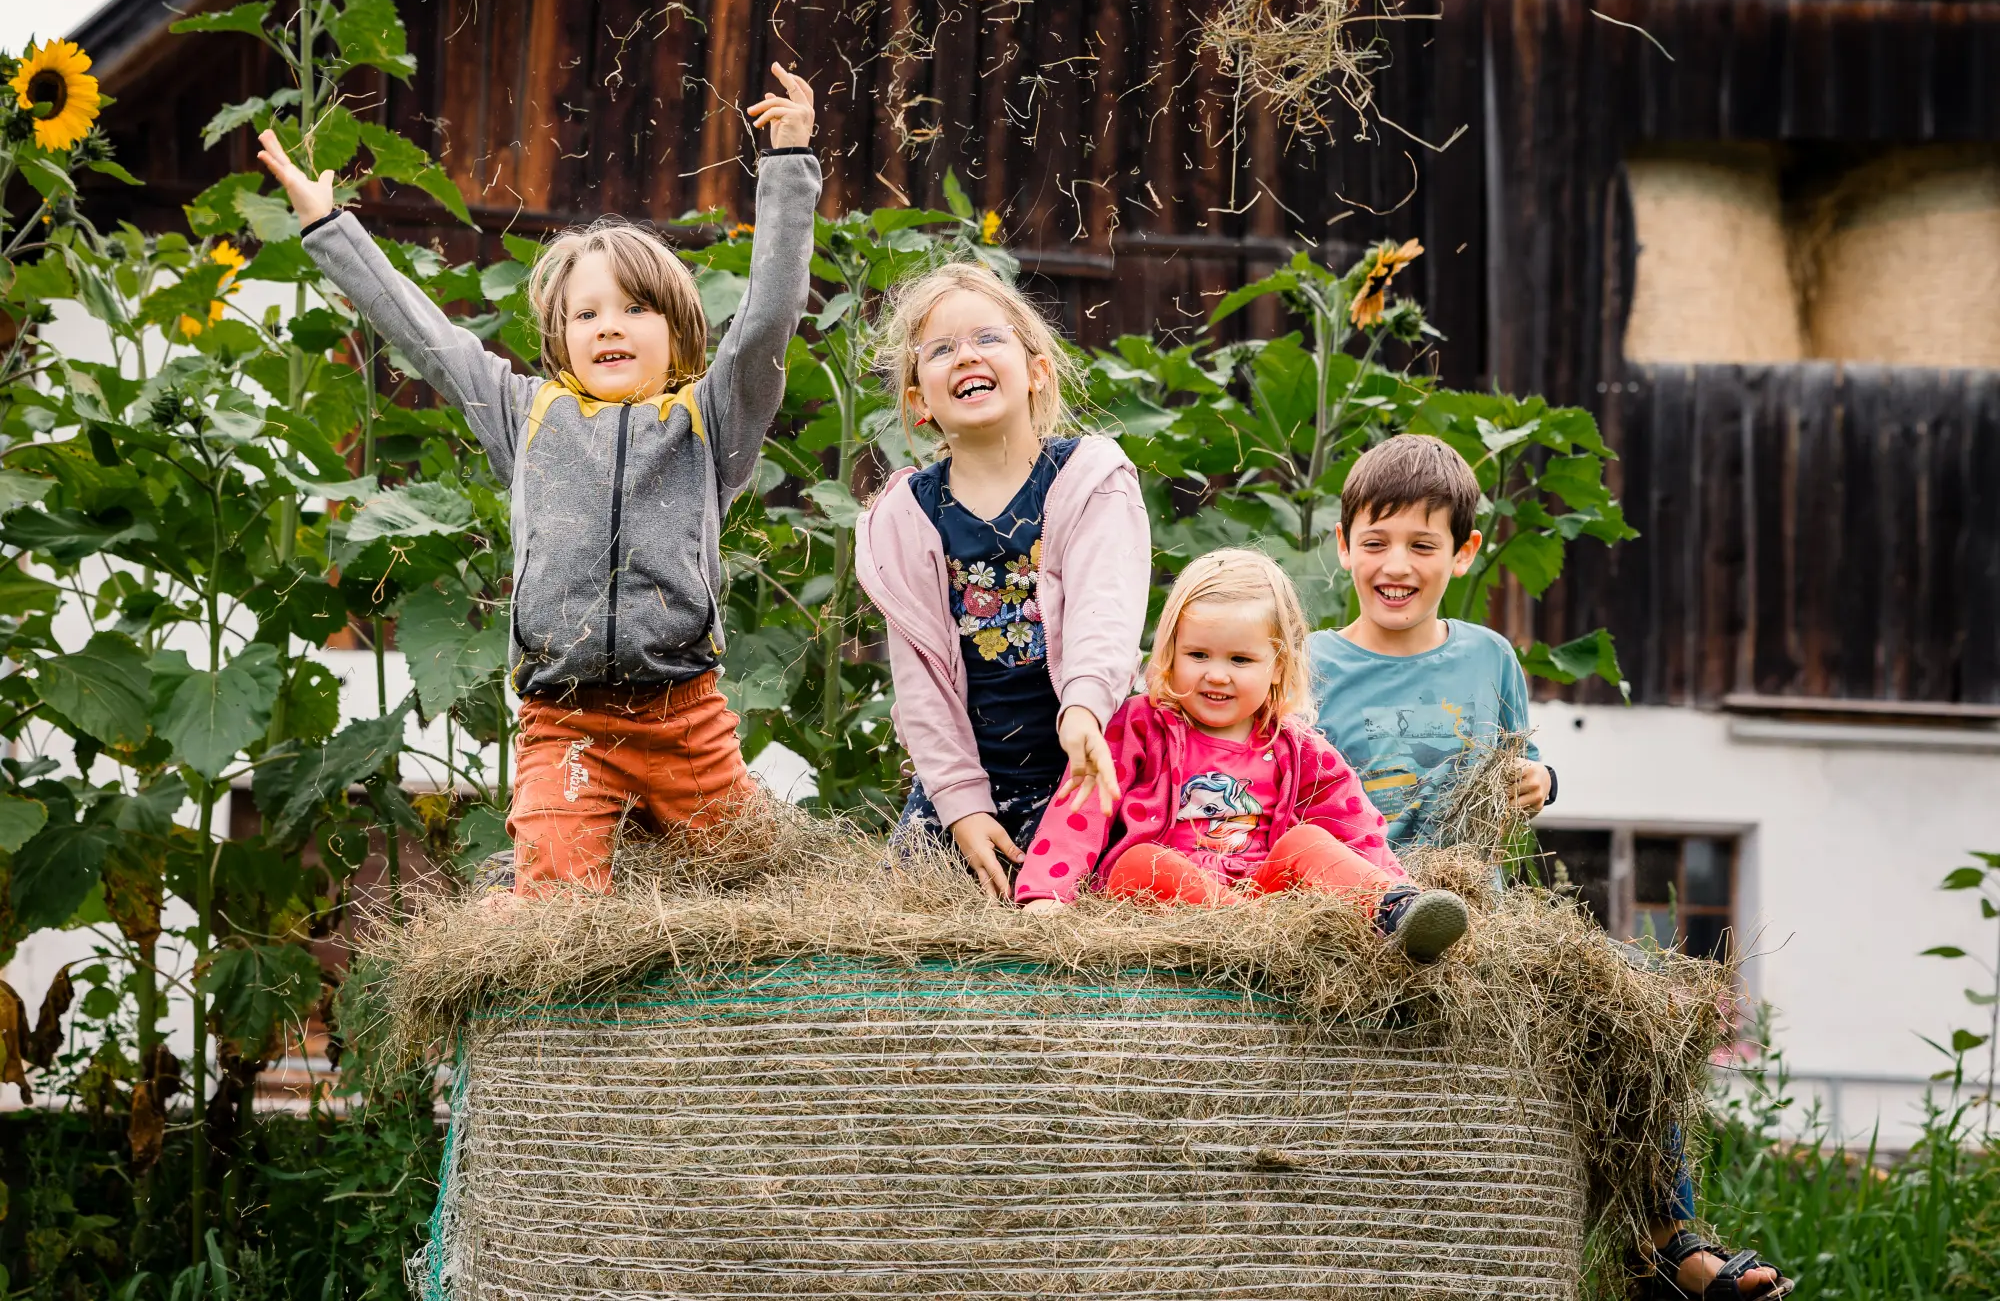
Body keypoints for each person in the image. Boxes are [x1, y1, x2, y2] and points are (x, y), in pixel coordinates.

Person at [255, 65, 820, 895]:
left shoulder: (712, 418)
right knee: (554, 902)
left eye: (634, 309)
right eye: (585, 315)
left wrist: (789, 164)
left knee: (753, 894)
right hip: (566, 725)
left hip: (686, 720)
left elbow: (770, 317)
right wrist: (327, 227)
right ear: (558, 337)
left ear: (681, 327)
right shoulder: (524, 413)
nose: (609, 328)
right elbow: (426, 339)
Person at [1310, 433, 1791, 1301]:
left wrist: (1544, 778)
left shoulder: (1487, 656)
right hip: (1359, 908)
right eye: (1375, 542)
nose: (1396, 565)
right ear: (1342, 545)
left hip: (1477, 915)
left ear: (1463, 553)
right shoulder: (1311, 662)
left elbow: (1518, 767)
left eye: (1423, 546)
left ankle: (1667, 1237)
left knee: (1636, 1005)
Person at [1013, 548, 1471, 964]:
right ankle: (1250, 934)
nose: (1217, 675)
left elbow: (1355, 828)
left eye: (1240, 660)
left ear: (1277, 667)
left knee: (1306, 841)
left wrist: (1391, 884)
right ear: (1169, 653)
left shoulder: (1296, 747)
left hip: (1256, 898)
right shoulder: (1142, 724)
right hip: (1158, 900)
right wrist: (1046, 895)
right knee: (1142, 859)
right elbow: (1082, 807)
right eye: (1197, 654)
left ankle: (1397, 912)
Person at [854, 262, 1147, 898]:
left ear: (1038, 369)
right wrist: (959, 806)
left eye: (988, 339)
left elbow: (1107, 612)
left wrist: (1085, 709)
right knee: (910, 937)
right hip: (968, 783)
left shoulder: (1089, 480)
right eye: (939, 349)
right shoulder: (907, 518)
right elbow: (920, 682)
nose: (965, 356)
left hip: (1086, 765)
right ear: (918, 402)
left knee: (1111, 912)